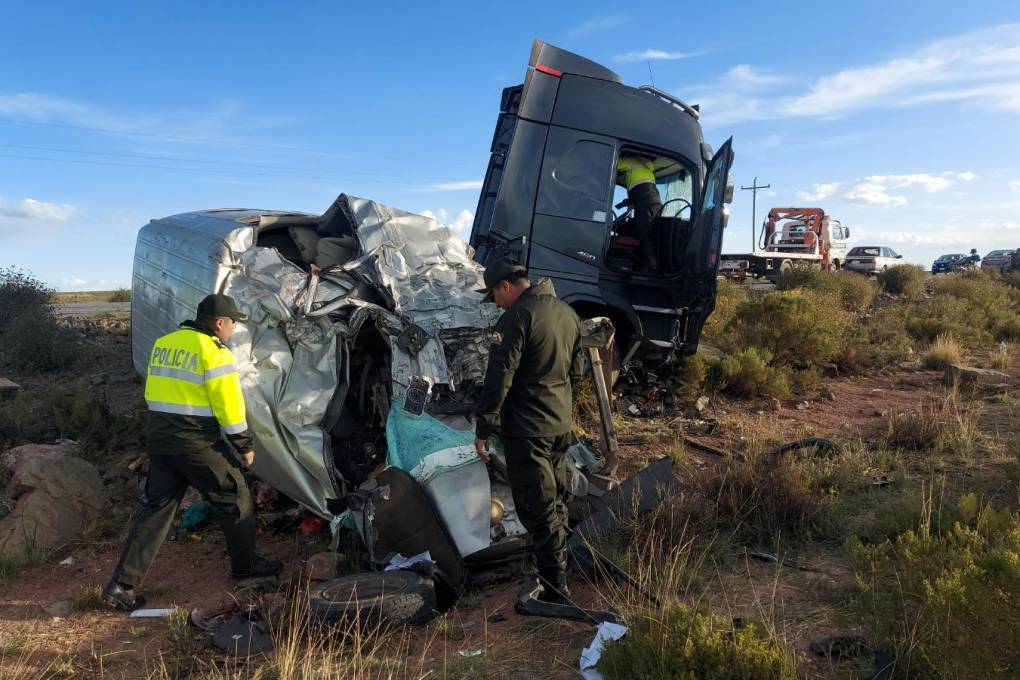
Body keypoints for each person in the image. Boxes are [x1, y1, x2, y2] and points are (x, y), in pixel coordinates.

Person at [101, 294, 282, 611]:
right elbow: (228, 406)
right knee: (235, 494)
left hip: (159, 437)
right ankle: (246, 570)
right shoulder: (214, 353)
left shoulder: (165, 343)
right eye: (233, 322)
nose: (234, 328)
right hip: (194, 439)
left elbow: (151, 390)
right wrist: (244, 446)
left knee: (156, 508)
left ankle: (120, 587)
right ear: (219, 322)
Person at [473, 258, 585, 605]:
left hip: (528, 429)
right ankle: (557, 568)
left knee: (538, 506)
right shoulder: (567, 313)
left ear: (506, 285)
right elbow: (577, 372)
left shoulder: (517, 317)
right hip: (558, 424)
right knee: (556, 498)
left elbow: (499, 376)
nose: (495, 303)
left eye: (494, 295)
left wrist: (485, 425)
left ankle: (554, 587)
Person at [616, 154, 662, 271]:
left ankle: (650, 266)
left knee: (643, 231)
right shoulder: (647, 165)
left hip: (644, 199)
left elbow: (614, 162)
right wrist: (624, 203)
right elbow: (641, 188)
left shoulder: (629, 160)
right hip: (654, 198)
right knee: (652, 230)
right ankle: (650, 262)